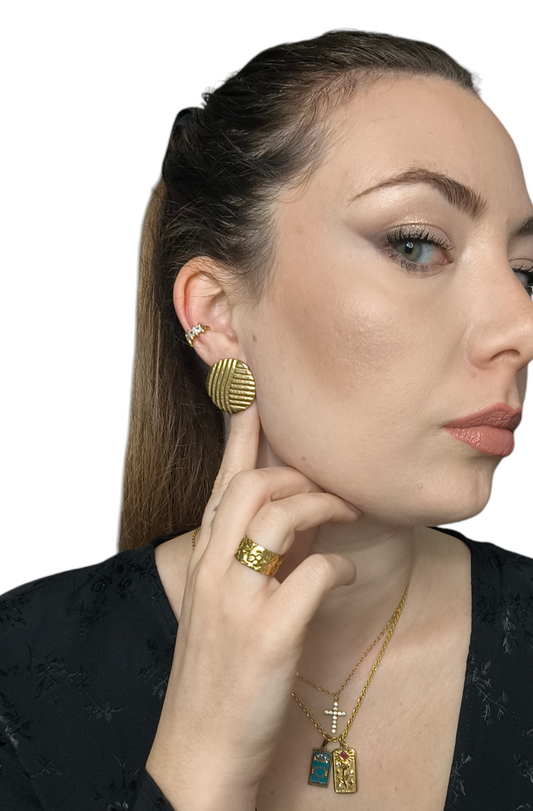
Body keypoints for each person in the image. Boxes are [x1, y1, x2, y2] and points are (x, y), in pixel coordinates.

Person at [1, 28, 533, 811]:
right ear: (218, 314)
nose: (518, 327)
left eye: (523, 272)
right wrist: (200, 758)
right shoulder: (20, 684)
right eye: (416, 245)